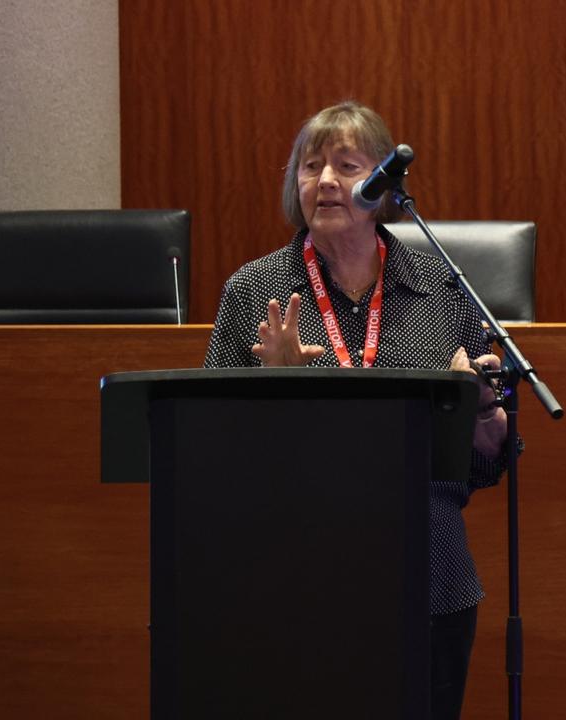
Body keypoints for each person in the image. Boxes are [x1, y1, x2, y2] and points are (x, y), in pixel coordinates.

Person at [203, 101, 508, 718]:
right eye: (310, 166)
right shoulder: (253, 293)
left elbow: (484, 466)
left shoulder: (442, 289)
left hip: (430, 576)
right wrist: (276, 388)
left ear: (383, 185)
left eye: (347, 165)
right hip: (293, 581)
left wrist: (481, 419)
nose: (325, 181)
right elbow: (211, 455)